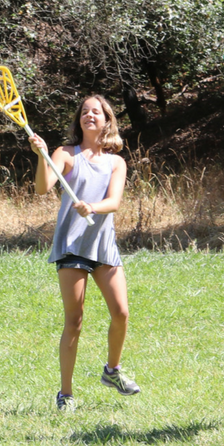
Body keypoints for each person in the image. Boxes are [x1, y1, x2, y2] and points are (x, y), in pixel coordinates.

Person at [29, 95, 138, 411]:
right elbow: (42, 188)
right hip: (73, 244)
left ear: (107, 120)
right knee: (74, 320)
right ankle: (65, 394)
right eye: (85, 112)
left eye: (97, 112)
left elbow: (114, 202)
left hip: (103, 245)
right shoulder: (64, 153)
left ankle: (112, 371)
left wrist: (92, 206)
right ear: (79, 120)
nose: (90, 115)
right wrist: (41, 156)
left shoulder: (116, 162)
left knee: (121, 313)